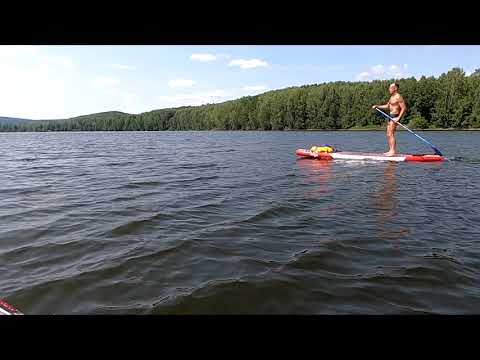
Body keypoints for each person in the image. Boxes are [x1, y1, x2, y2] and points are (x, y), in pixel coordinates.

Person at [372, 82, 407, 156]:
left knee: (391, 133)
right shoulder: (391, 97)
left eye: (391, 87)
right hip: (390, 116)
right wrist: (377, 106)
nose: (389, 89)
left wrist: (398, 118)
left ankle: (393, 151)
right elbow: (387, 106)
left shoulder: (398, 97)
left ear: (395, 88)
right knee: (388, 134)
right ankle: (390, 150)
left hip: (395, 116)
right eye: (389, 87)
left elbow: (404, 108)